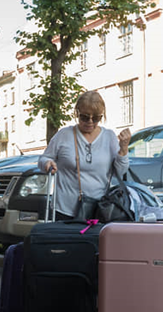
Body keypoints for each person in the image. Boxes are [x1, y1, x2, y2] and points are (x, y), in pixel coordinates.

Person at [38, 90, 131, 220]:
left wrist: (123, 149)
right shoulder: (64, 135)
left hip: (99, 209)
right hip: (65, 209)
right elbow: (43, 159)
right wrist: (47, 163)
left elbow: (120, 172)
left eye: (96, 118)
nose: (90, 122)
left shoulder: (109, 137)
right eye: (85, 117)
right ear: (77, 113)